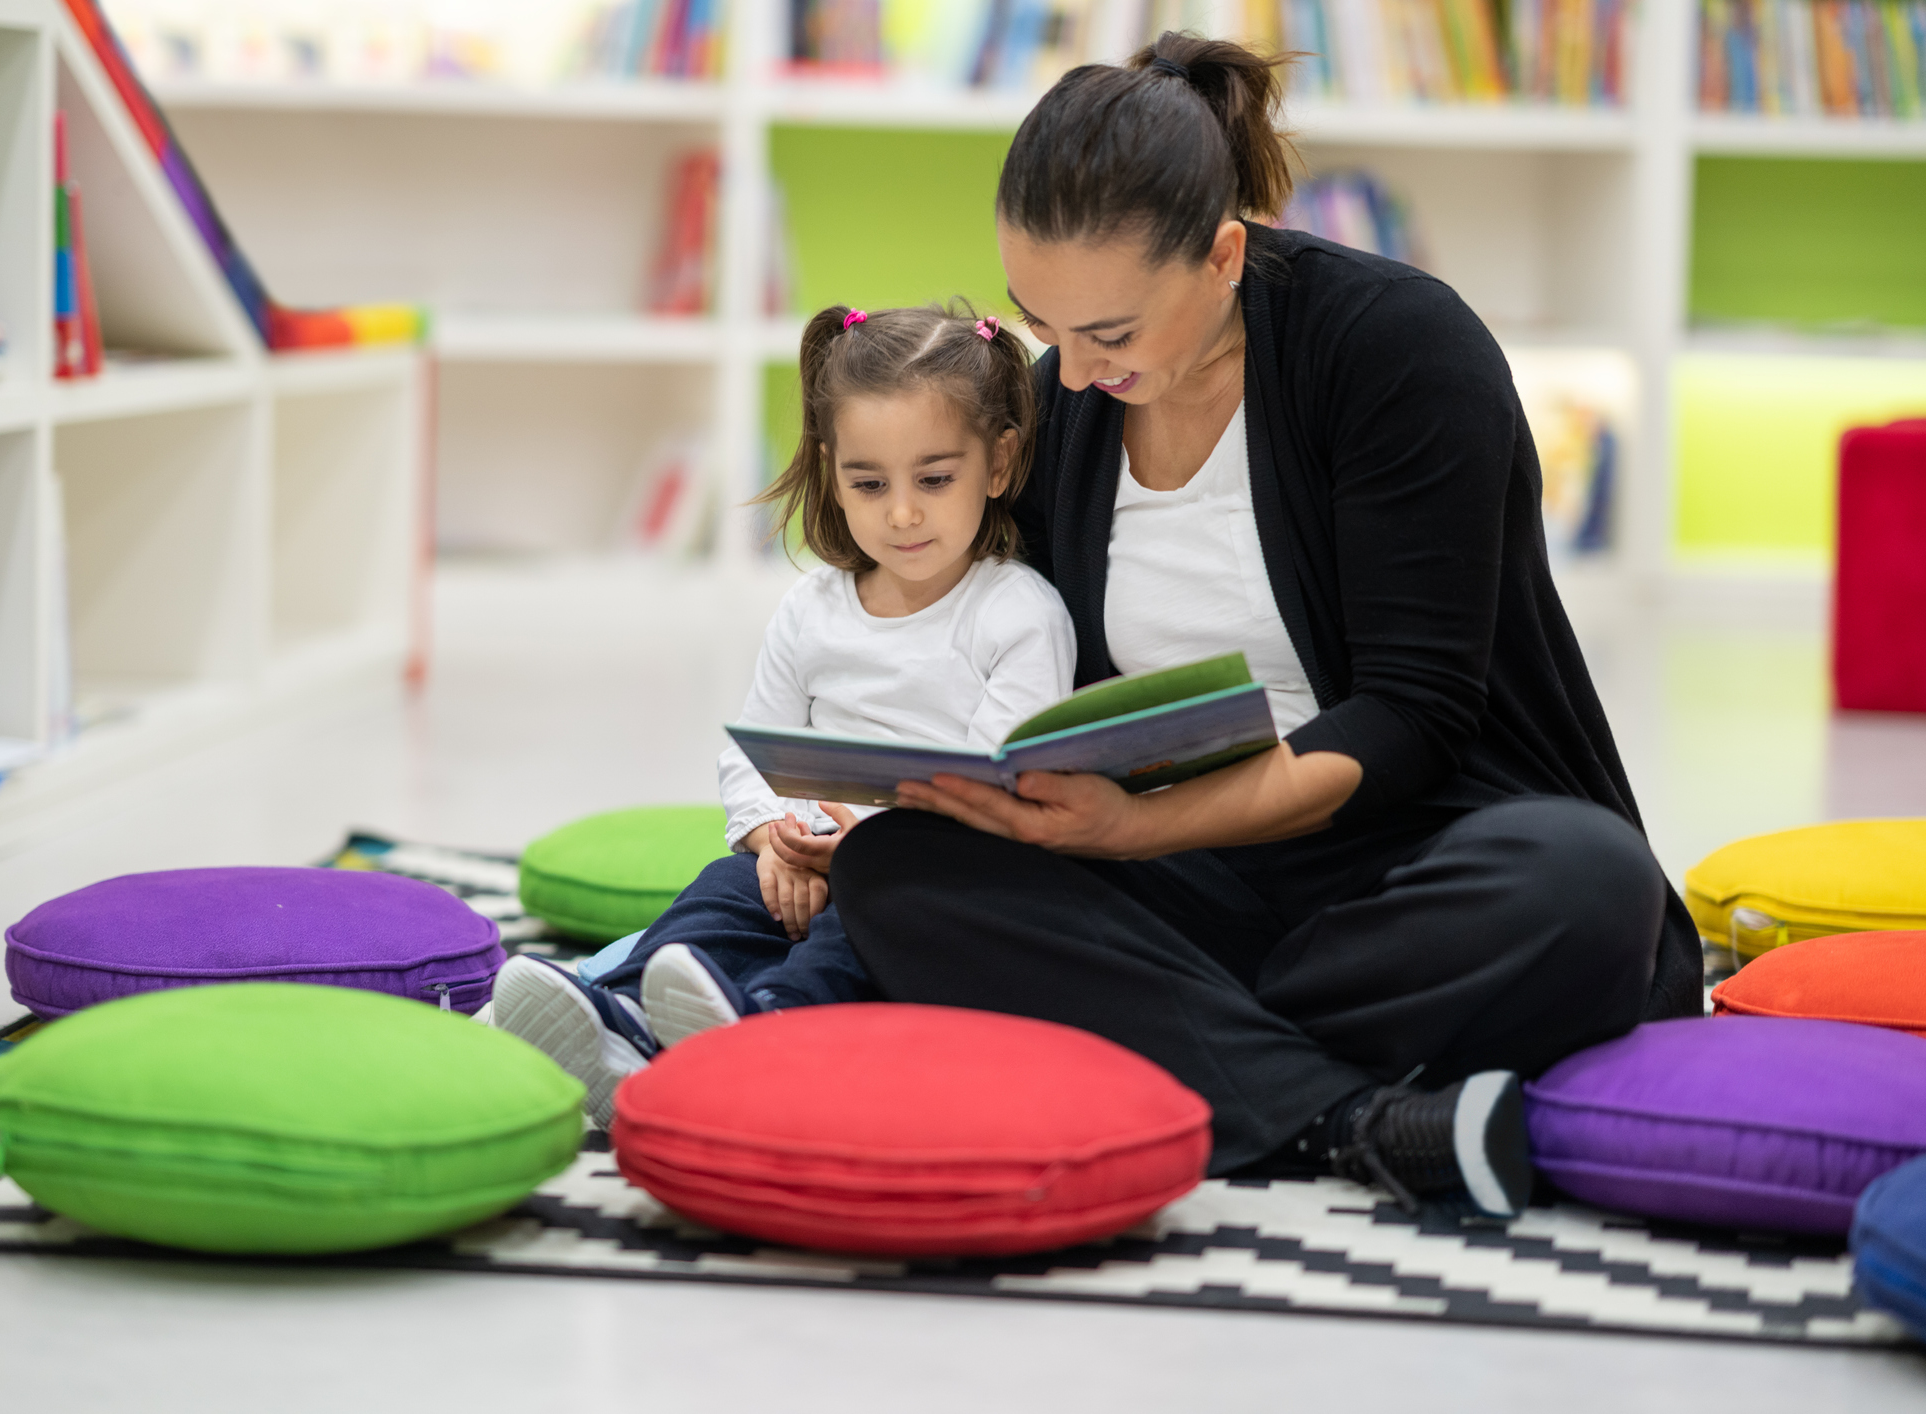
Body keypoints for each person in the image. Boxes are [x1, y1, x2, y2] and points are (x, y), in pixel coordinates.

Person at [828, 35, 1704, 1219]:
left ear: (1223, 254)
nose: (1071, 376)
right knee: (895, 868)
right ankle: (1353, 1121)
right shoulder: (1067, 405)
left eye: (1112, 334)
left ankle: (1172, 1036)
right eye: (1043, 323)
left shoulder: (1394, 348)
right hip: (1193, 874)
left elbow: (1411, 719)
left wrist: (1130, 838)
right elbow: (989, 647)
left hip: (1406, 851)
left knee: (1589, 887)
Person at [492, 302, 1077, 1125]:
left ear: (1000, 461)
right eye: (868, 484)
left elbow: (996, 793)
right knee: (719, 894)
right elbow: (752, 750)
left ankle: (765, 1028)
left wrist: (858, 855)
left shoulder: (1018, 613)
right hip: (798, 860)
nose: (901, 513)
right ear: (833, 471)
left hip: (928, 875)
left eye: (934, 480)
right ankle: (618, 1012)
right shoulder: (814, 606)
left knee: (865, 929)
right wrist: (772, 839)